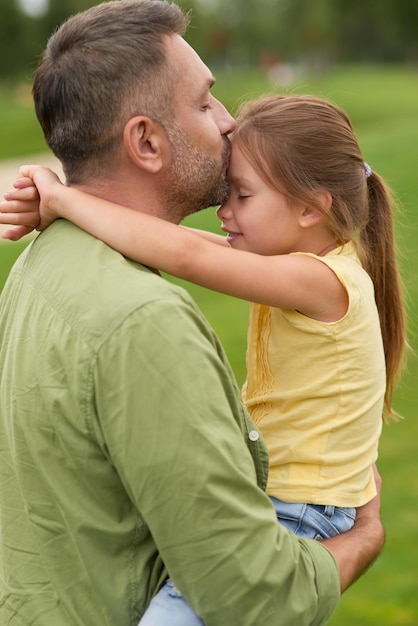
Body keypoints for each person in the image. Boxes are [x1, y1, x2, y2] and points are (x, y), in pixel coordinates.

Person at [0, 1, 386, 624]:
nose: (230, 123)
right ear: (147, 142)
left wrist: (65, 203)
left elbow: (191, 251)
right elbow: (251, 598)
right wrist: (365, 539)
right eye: (206, 103)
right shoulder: (145, 322)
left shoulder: (40, 265)